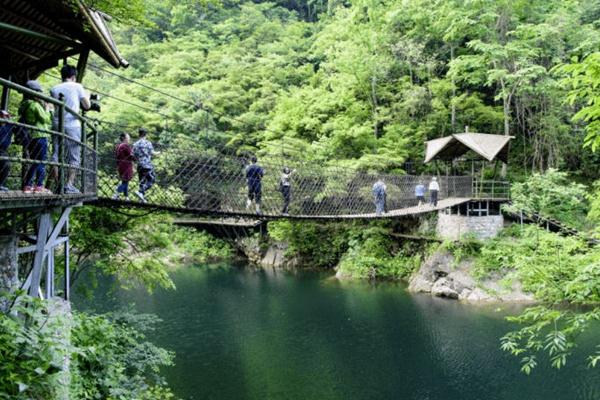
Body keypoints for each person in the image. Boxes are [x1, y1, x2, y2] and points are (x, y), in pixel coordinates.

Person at [50, 64, 90, 194]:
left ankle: (57, 184)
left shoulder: (54, 88)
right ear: (73, 76)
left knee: (55, 153)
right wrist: (87, 97)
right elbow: (87, 105)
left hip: (56, 123)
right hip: (72, 125)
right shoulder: (77, 86)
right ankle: (68, 185)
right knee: (74, 156)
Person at [20, 80, 52, 194]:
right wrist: (48, 110)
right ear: (35, 93)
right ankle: (38, 186)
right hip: (40, 135)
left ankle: (28, 186)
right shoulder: (35, 104)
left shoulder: (24, 104)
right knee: (40, 161)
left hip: (31, 136)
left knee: (35, 161)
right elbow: (46, 119)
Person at [132, 128, 159, 203]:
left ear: (139, 134)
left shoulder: (135, 144)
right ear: (146, 134)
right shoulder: (148, 143)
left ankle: (141, 199)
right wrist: (158, 153)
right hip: (147, 164)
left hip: (139, 165)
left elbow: (133, 155)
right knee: (152, 179)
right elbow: (153, 153)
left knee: (141, 181)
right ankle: (140, 191)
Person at [113, 133, 134, 201]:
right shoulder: (125, 146)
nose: (129, 139)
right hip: (126, 166)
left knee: (125, 181)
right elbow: (131, 156)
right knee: (125, 182)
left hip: (120, 166)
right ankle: (116, 194)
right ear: (125, 138)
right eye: (128, 137)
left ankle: (126, 197)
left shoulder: (118, 146)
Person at [0, 110, 13, 191]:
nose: (4, 117)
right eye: (2, 115)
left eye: (6, 116)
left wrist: (10, 119)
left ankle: (0, 184)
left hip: (3, 150)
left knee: (6, 165)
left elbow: (19, 130)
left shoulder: (9, 126)